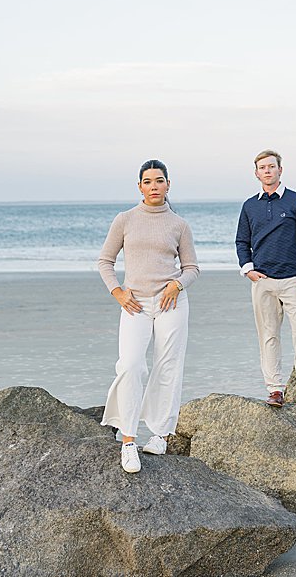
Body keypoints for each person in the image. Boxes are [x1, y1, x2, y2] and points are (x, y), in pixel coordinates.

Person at [98, 159, 199, 474]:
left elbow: (192, 268)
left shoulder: (179, 224)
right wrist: (118, 292)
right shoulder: (125, 219)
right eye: (148, 181)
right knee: (130, 366)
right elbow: (105, 261)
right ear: (139, 186)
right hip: (135, 304)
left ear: (168, 184)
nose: (154, 186)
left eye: (159, 181)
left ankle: (160, 434)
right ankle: (128, 441)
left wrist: (177, 285)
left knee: (168, 366)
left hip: (171, 302)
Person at [235, 149, 296, 423]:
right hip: (263, 281)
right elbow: (242, 241)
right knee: (269, 336)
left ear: (280, 170)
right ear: (256, 173)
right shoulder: (250, 206)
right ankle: (275, 389)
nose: (267, 171)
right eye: (262, 167)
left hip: (293, 280)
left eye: (271, 167)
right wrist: (247, 268)